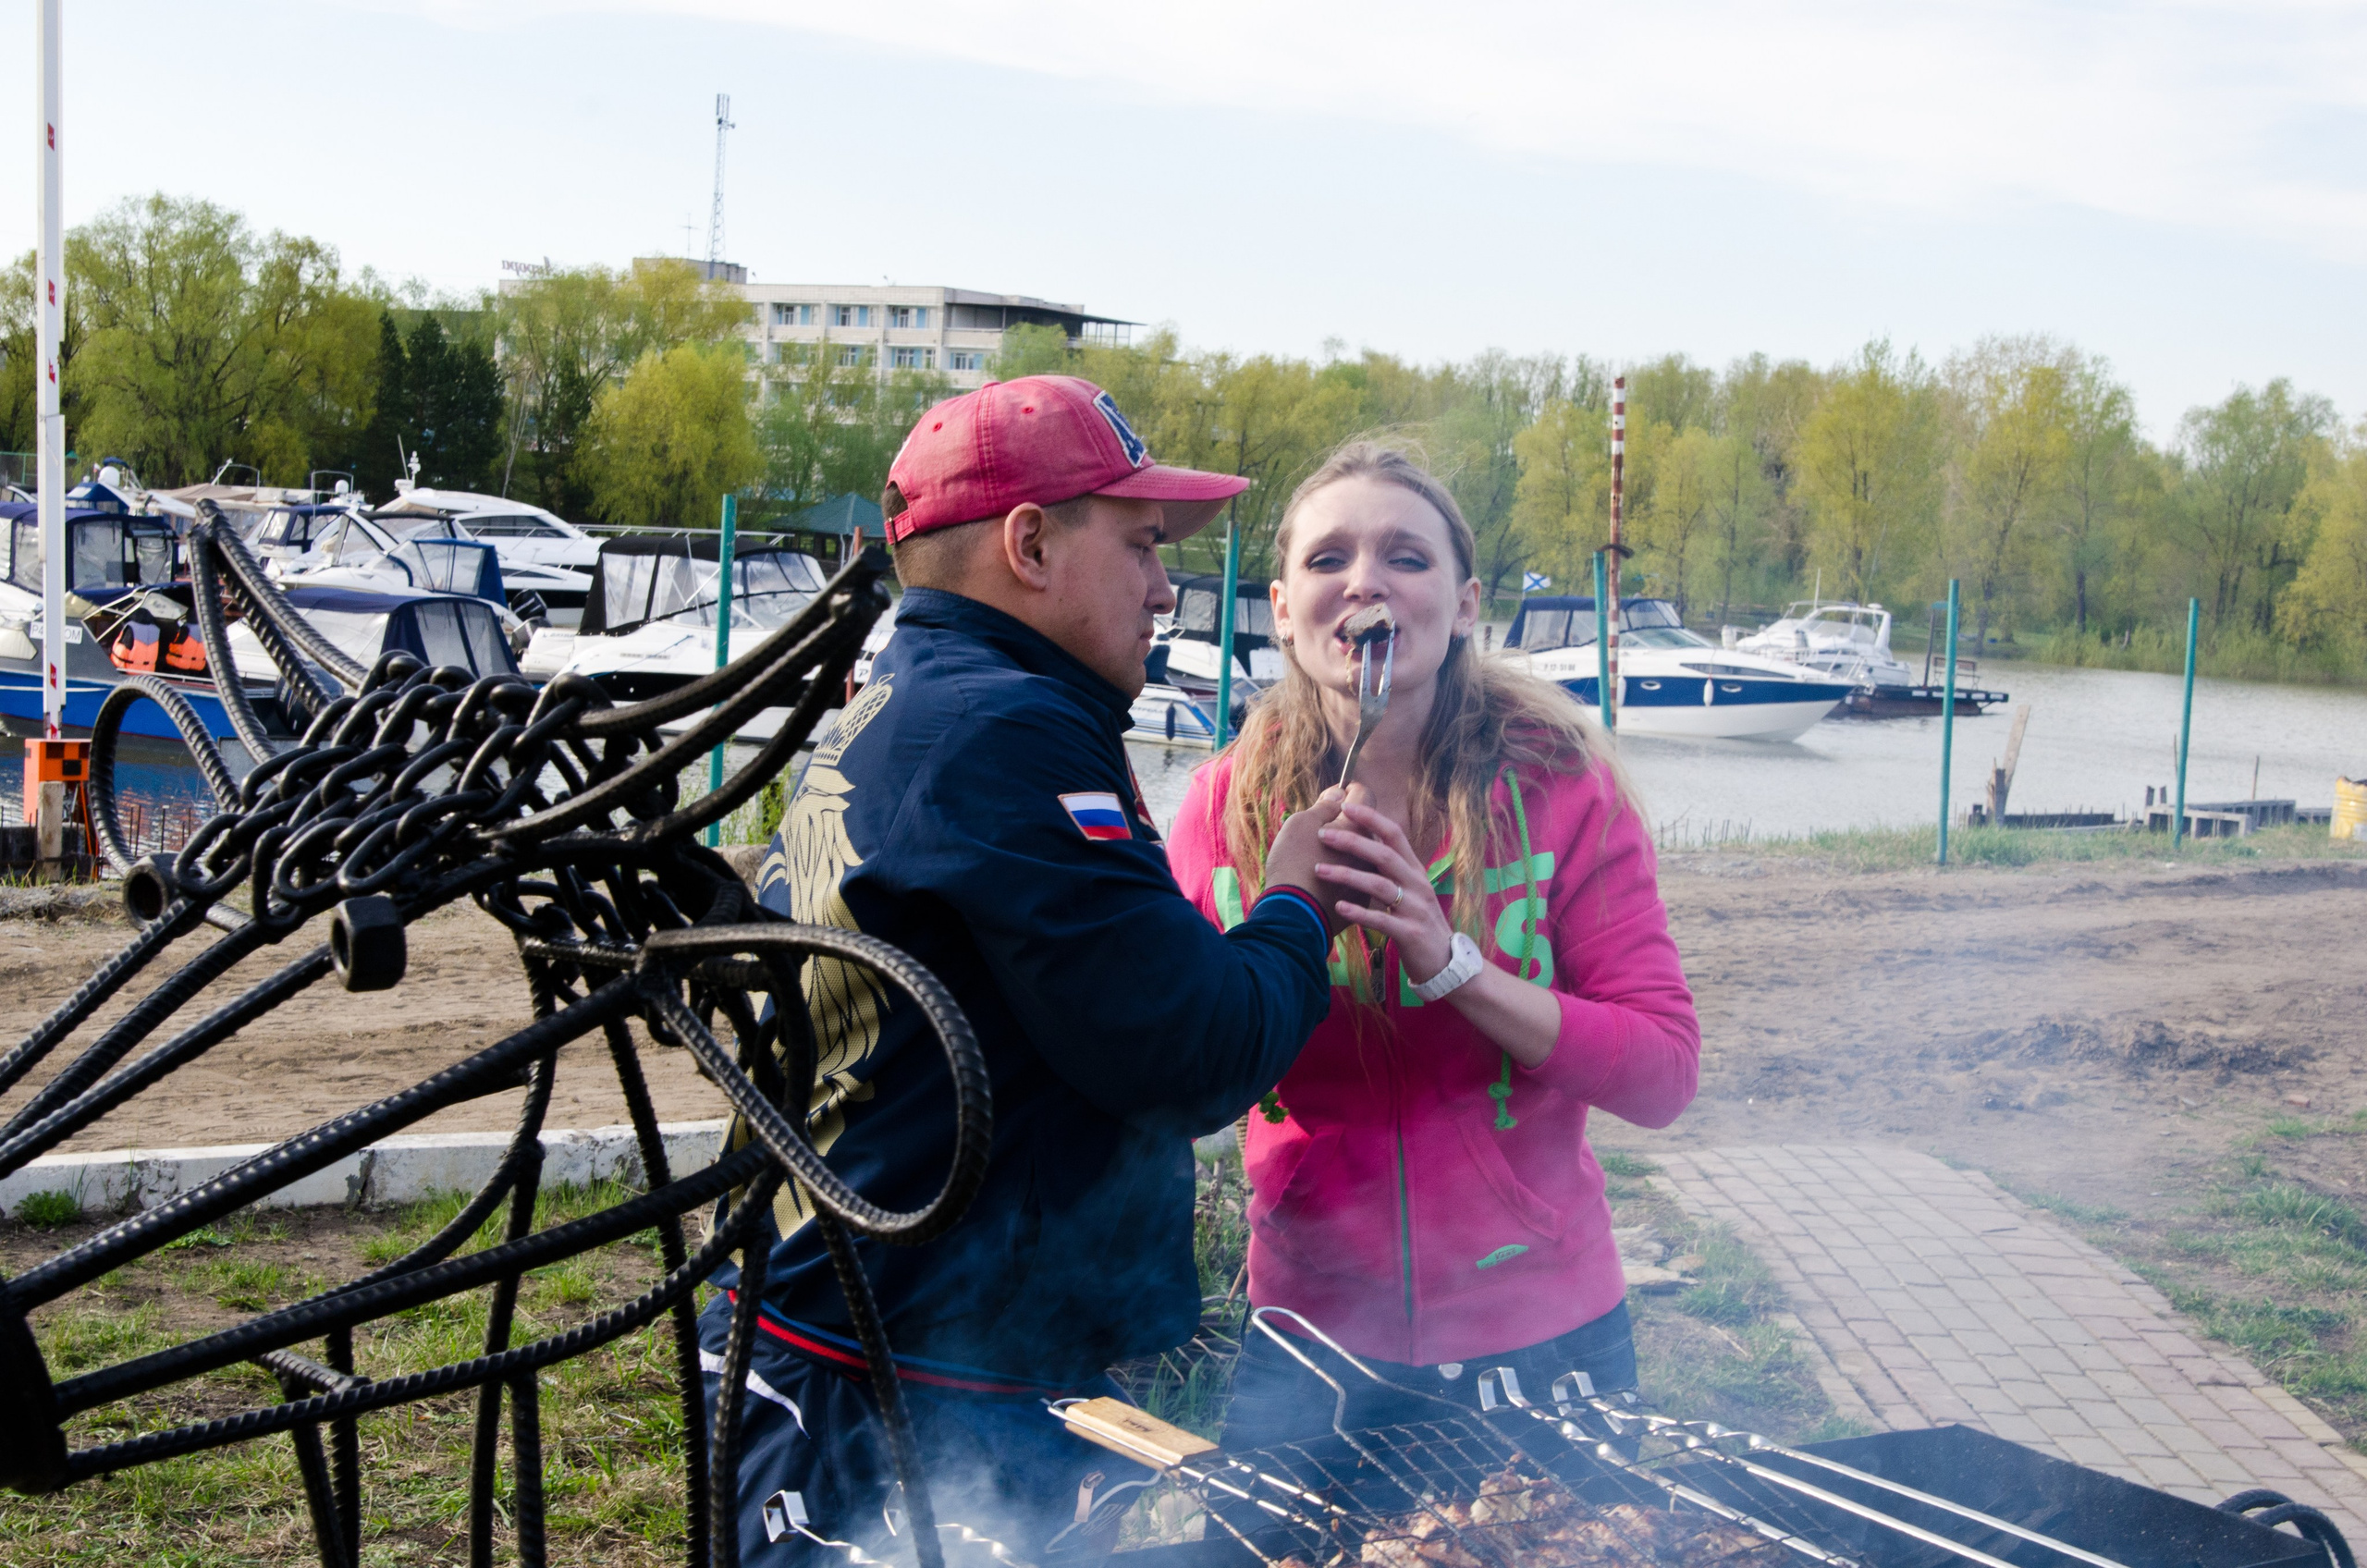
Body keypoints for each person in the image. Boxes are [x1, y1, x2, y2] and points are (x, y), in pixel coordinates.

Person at [701, 375, 1344, 1563]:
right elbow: (1190, 1048)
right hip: (899, 1394)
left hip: (846, 1339)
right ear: (1031, 544)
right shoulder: (1005, 729)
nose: (1164, 588)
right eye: (1142, 545)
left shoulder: (912, 703)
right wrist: (1298, 904)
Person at [1164, 442, 1700, 1449]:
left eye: (1405, 557)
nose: (1364, 581)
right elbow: (1182, 1072)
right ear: (1282, 611)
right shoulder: (1221, 810)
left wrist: (1453, 965)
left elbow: (1662, 1074)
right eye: (1328, 559)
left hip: (1543, 1326)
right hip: (1309, 1336)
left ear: (1463, 605)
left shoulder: (1562, 784)